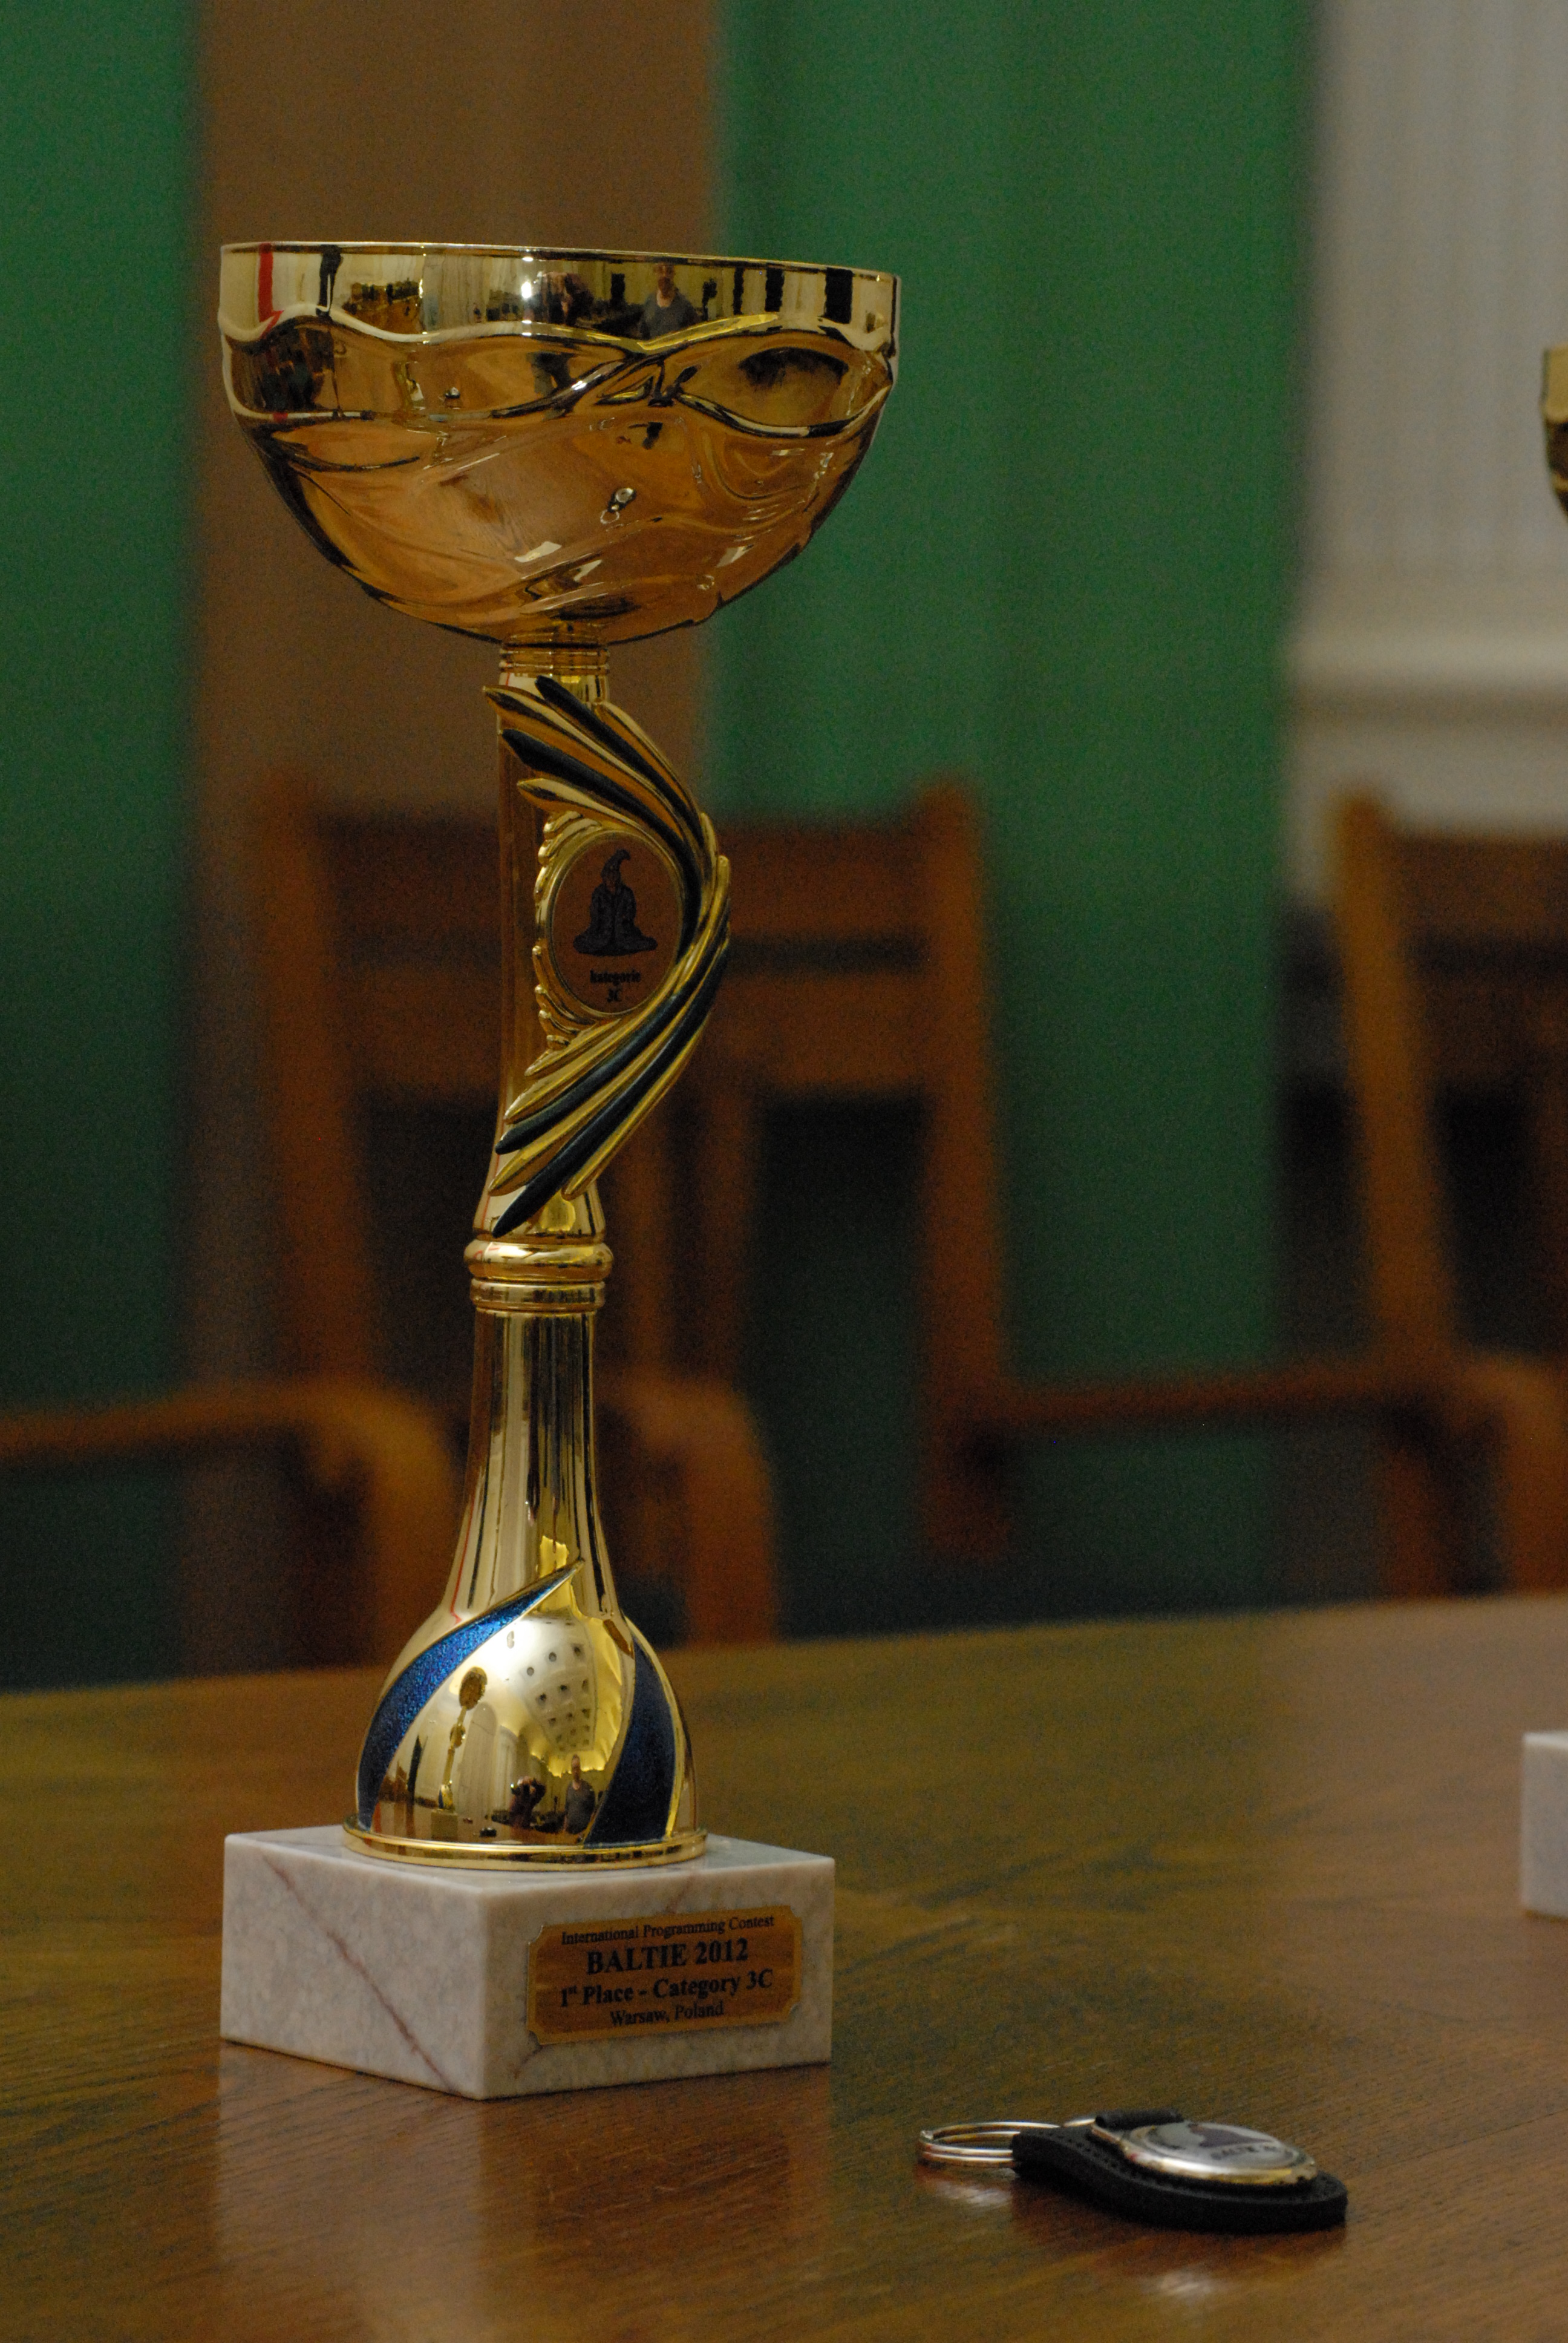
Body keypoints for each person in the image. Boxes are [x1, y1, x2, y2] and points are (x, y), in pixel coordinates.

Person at [574, 847, 657, 957]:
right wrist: (604, 920)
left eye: (614, 876)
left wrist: (623, 918)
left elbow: (631, 911)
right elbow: (595, 914)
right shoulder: (599, 893)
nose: (611, 879)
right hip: (602, 934)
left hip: (623, 933)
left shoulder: (626, 893)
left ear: (618, 877)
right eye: (608, 876)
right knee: (581, 944)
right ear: (604, 878)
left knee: (644, 944)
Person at [636, 261, 697, 340]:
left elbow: (694, 336)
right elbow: (642, 335)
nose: (664, 276)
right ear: (655, 273)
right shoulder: (649, 302)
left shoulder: (685, 306)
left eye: (669, 271)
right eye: (660, 271)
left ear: (674, 274)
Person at [563, 1755, 598, 1835]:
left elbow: (594, 1812)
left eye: (577, 1768)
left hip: (584, 1834)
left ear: (580, 1769)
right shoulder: (569, 1789)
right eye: (574, 1768)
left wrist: (588, 1831)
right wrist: (564, 1830)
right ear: (571, 1770)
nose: (576, 1771)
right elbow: (567, 1812)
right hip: (570, 1834)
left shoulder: (588, 1788)